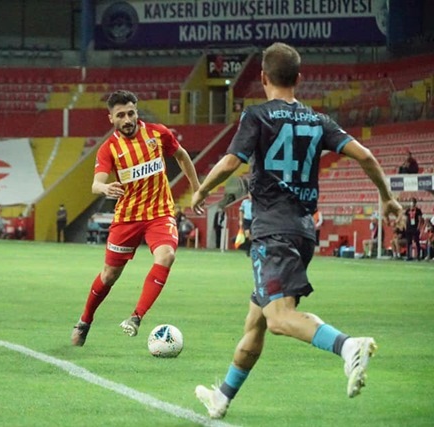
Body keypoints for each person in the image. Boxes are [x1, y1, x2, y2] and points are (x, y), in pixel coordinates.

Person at [189, 43, 404, 419]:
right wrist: (387, 198)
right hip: (303, 231)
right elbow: (367, 156)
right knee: (256, 321)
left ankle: (348, 346)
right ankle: (222, 397)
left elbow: (231, 162)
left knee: (278, 318)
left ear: (263, 77)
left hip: (273, 231)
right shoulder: (318, 121)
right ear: (299, 79)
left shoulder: (256, 115)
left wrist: (202, 190)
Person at [70, 89, 201, 346]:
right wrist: (105, 188)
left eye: (131, 113)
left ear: (136, 112)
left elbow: (182, 156)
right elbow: (96, 184)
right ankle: (85, 320)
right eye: (121, 115)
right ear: (111, 118)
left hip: (160, 213)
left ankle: (136, 317)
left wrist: (198, 188)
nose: (127, 119)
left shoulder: (158, 133)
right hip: (127, 217)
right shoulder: (108, 149)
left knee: (166, 256)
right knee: (109, 275)